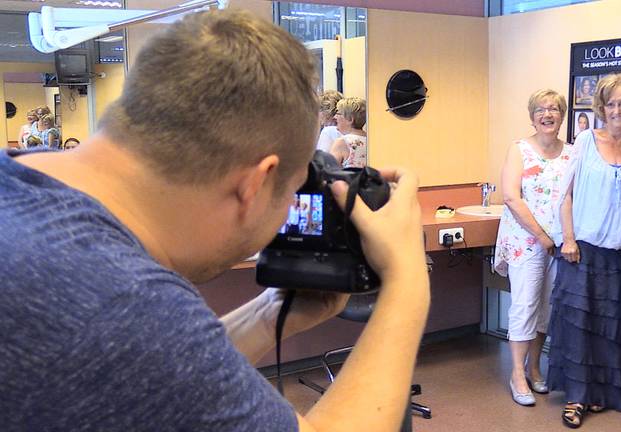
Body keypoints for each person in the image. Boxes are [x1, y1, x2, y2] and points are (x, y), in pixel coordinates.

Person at [0, 10, 430, 432]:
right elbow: (135, 334)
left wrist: (267, 315)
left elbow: (155, 378)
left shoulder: (20, 189)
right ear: (255, 184)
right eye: (291, 191)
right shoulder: (124, 304)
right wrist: (406, 285)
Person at [548, 73, 621, 428]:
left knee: (612, 329)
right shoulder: (584, 141)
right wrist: (567, 239)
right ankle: (577, 397)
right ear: (601, 107)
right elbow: (566, 195)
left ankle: (604, 395)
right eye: (610, 103)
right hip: (582, 249)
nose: (616, 110)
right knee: (578, 327)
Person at [493, 89, 573, 407]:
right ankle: (516, 373)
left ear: (562, 116)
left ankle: (535, 368)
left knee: (546, 309)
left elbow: (572, 197)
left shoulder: (571, 153)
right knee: (525, 305)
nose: (548, 114)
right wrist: (541, 235)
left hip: (558, 243)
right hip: (526, 240)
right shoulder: (520, 149)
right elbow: (512, 196)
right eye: (541, 109)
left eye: (554, 109)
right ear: (532, 116)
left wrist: (565, 238)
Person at [330, 97, 367, 168]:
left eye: (338, 113)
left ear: (350, 119)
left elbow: (329, 172)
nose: (335, 117)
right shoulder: (372, 141)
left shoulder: (342, 142)